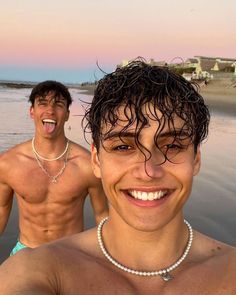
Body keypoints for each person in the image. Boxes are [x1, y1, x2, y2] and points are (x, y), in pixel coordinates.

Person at [0, 61, 236, 294]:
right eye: (123, 147)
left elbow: (103, 212)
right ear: (96, 160)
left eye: (172, 145)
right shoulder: (36, 269)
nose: (147, 171)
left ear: (195, 159)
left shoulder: (229, 270)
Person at [0, 80, 108, 256]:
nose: (50, 110)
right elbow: (1, 210)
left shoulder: (87, 165)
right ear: (32, 111)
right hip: (26, 252)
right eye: (42, 103)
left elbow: (103, 216)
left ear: (67, 114)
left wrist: (106, 260)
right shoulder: (8, 163)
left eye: (58, 104)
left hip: (72, 253)